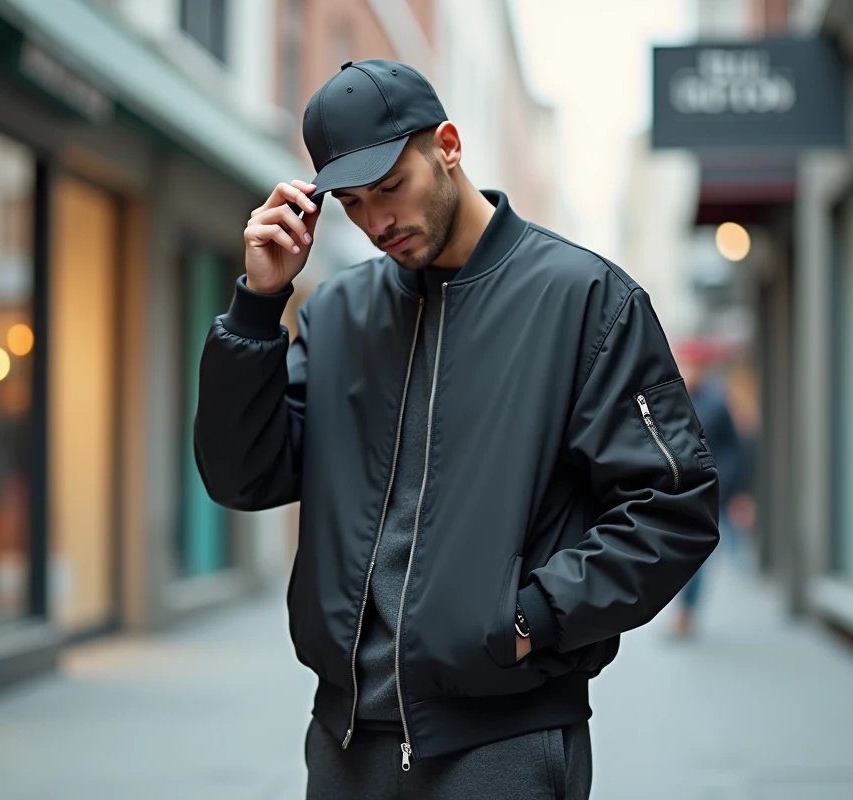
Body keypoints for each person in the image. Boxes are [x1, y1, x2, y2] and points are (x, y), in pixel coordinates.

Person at [194, 59, 720, 800]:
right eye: (351, 202)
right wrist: (257, 305)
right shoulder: (337, 314)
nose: (377, 222)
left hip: (502, 742)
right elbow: (242, 475)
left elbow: (672, 508)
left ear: (447, 144)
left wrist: (530, 620)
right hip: (345, 743)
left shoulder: (585, 300)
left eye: (390, 188)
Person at [670, 341, 745, 638]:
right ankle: (683, 610)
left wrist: (727, 486)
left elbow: (735, 449)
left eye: (695, 365)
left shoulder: (717, 403)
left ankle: (687, 612)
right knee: (677, 553)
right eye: (685, 365)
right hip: (676, 491)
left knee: (697, 553)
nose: (690, 372)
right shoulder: (670, 399)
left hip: (709, 493)